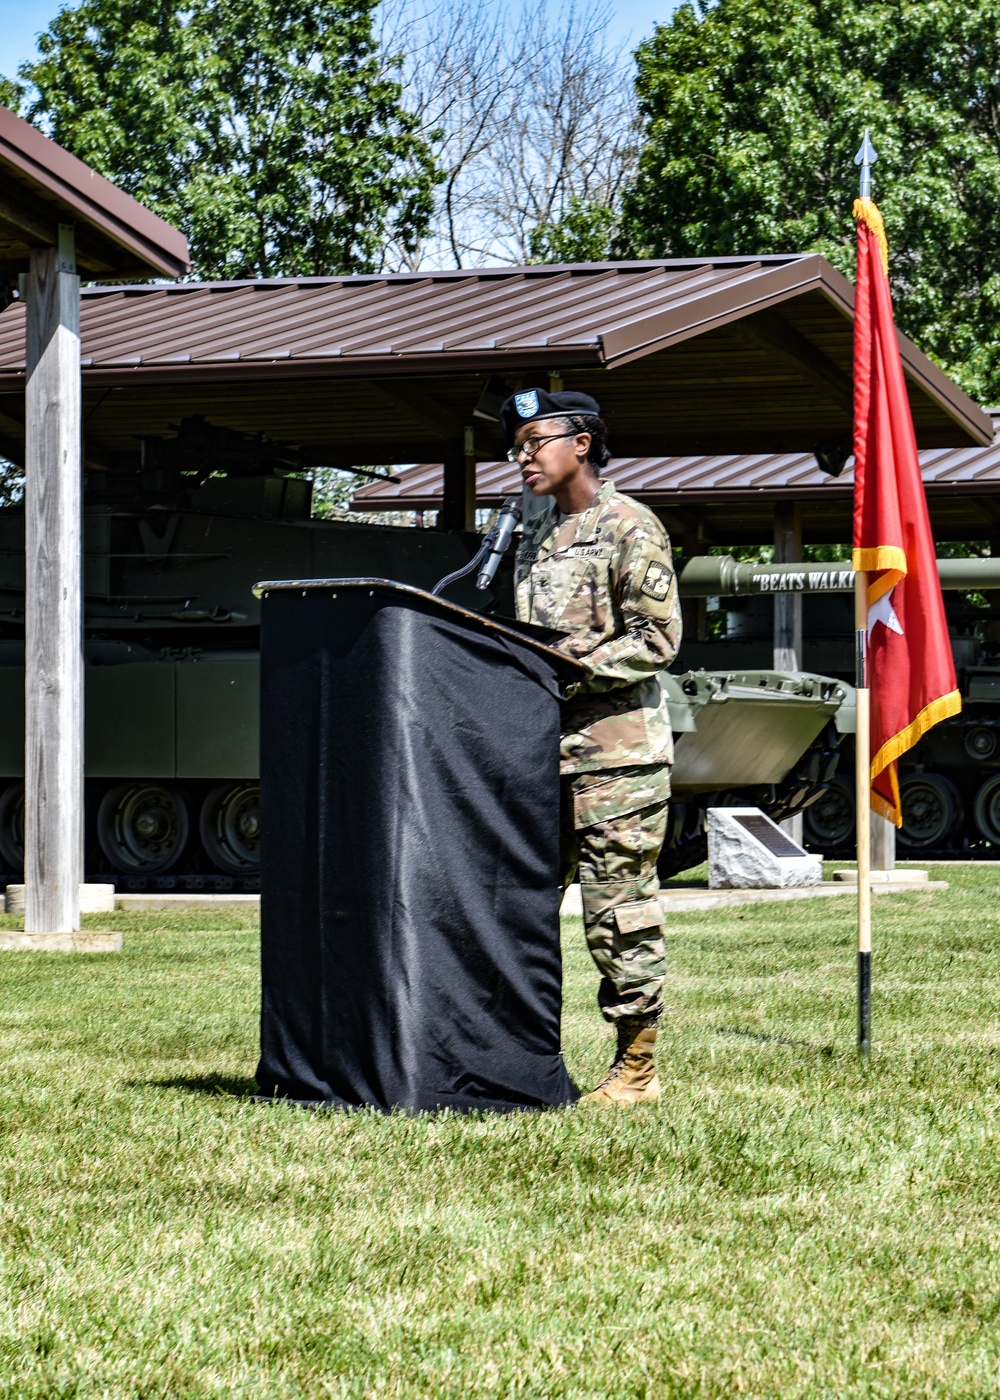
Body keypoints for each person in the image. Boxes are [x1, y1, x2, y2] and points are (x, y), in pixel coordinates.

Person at [500, 388, 682, 1105]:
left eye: (535, 440)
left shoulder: (631, 526)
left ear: (582, 442)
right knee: (519, 904)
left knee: (617, 910)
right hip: (538, 754)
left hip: (618, 761)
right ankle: (519, 1051)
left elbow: (658, 640)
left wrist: (572, 673)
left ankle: (637, 1068)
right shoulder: (530, 534)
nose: (522, 456)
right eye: (515, 446)